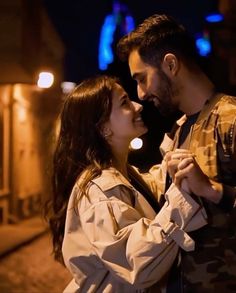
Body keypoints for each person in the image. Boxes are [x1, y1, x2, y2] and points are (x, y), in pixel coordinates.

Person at [44, 75, 212, 293]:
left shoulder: (123, 174)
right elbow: (136, 263)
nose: (137, 105)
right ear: (103, 128)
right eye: (124, 102)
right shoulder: (100, 188)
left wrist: (183, 132)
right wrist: (183, 199)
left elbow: (153, 189)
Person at [117, 13, 236, 292]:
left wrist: (211, 190)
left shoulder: (230, 119)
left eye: (142, 78)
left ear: (170, 64)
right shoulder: (178, 130)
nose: (141, 93)